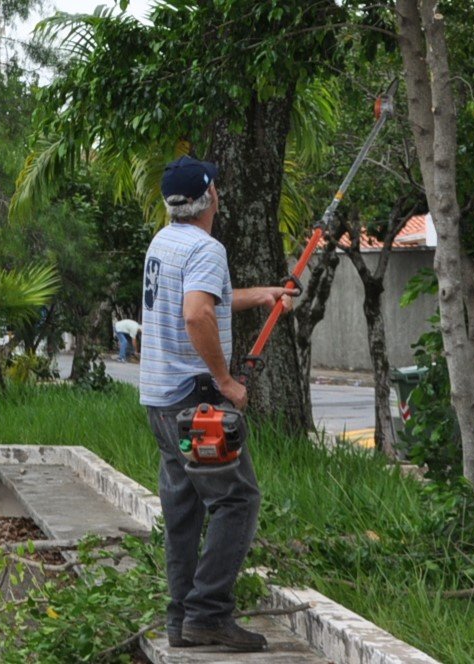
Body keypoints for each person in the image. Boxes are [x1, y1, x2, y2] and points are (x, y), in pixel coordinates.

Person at [139, 155, 298, 652]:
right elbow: (196, 313)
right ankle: (208, 614)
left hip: (161, 401)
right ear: (211, 196)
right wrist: (226, 381)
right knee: (237, 500)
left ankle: (181, 620)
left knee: (183, 509)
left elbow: (208, 298)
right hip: (196, 400)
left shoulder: (165, 242)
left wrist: (263, 295)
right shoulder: (206, 248)